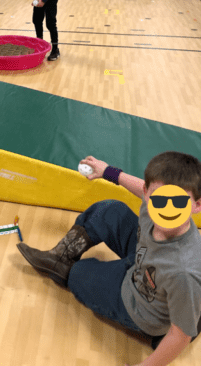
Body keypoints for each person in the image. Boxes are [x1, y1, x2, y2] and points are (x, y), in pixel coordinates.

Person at [17, 151, 201, 366]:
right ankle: (59, 257)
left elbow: (180, 336)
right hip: (143, 263)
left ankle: (181, 320)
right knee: (110, 210)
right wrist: (108, 172)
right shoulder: (155, 205)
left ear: (197, 205)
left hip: (140, 306)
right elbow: (145, 185)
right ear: (147, 193)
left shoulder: (183, 271)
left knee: (78, 273)